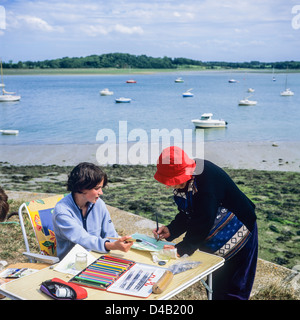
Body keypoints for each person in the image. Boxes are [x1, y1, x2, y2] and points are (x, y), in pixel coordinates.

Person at [152, 146, 258, 300]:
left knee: (235, 289)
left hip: (241, 231)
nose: (169, 186)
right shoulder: (187, 181)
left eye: (173, 182)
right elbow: (189, 212)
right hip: (215, 238)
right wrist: (171, 229)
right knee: (215, 288)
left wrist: (182, 248)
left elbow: (203, 219)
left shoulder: (206, 181)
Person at [53, 162, 133, 260]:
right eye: (97, 188)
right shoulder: (62, 212)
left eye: (101, 188)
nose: (101, 192)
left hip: (97, 257)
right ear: (81, 187)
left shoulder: (99, 204)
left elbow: (111, 235)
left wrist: (121, 242)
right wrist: (111, 246)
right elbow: (82, 239)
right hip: (71, 263)